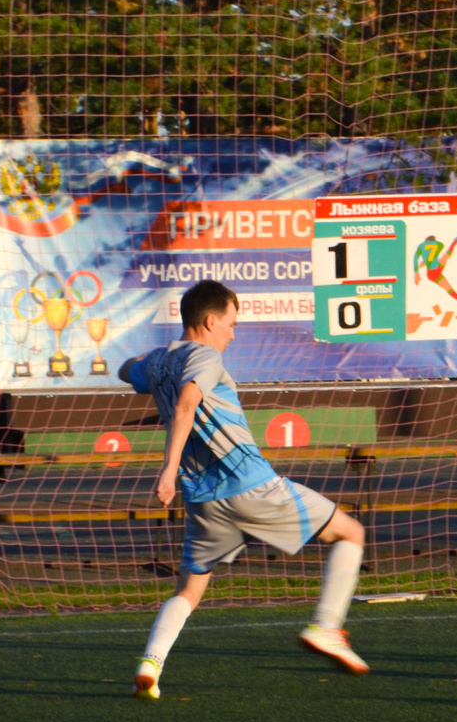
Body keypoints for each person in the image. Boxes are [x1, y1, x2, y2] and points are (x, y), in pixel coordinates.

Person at [122, 280, 370, 698]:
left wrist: (142, 362)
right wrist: (166, 471)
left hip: (203, 500)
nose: (233, 335)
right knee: (351, 533)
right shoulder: (205, 356)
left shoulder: (160, 363)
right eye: (232, 324)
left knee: (189, 590)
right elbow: (186, 404)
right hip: (249, 485)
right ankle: (327, 627)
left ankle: (151, 663)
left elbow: (127, 369)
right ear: (210, 321)